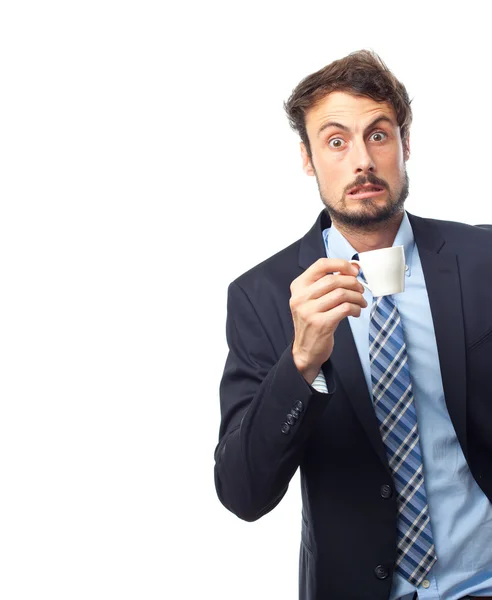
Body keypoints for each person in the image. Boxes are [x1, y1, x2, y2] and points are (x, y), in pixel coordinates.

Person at [213, 50, 492, 600]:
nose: (361, 160)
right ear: (309, 159)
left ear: (405, 146)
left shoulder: (483, 258)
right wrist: (301, 363)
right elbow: (243, 492)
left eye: (379, 135)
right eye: (336, 142)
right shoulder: (262, 296)